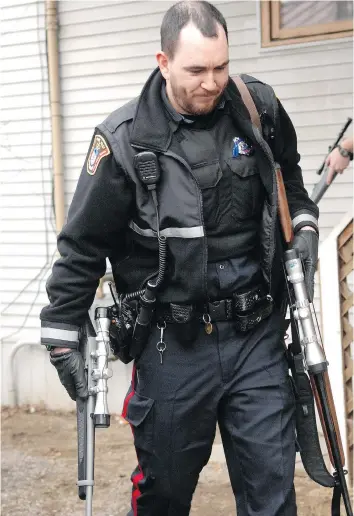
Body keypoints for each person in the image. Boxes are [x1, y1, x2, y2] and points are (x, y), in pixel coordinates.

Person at [40, 2, 320, 515]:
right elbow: (81, 246)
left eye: (221, 67)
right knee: (162, 497)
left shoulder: (259, 109)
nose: (212, 83)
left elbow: (291, 184)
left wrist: (304, 227)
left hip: (257, 336)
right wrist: (61, 335)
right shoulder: (122, 141)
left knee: (273, 497)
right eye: (196, 70)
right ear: (163, 62)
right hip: (173, 348)